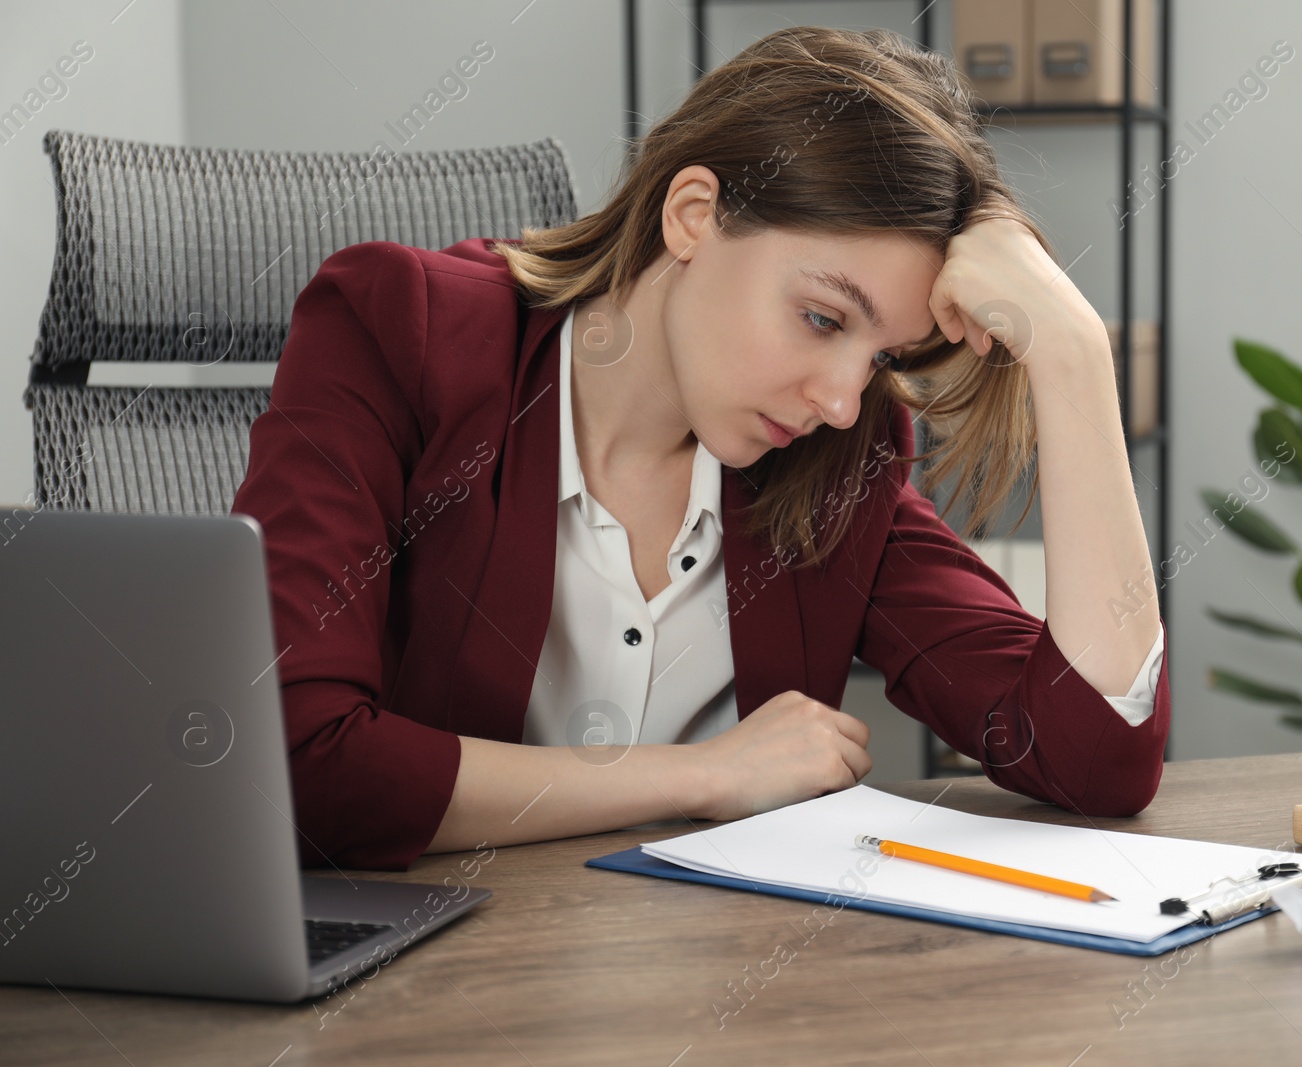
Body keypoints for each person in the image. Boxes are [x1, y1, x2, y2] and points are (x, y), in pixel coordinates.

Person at [230, 26, 1168, 872]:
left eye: (881, 355)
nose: (843, 400)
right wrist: (698, 778)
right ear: (692, 215)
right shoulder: (400, 330)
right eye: (820, 317)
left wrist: (1075, 358)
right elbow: (296, 760)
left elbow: (1097, 753)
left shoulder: (844, 456)